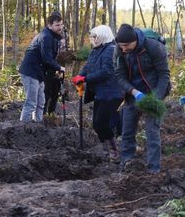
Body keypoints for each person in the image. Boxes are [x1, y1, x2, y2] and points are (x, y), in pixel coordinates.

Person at [114, 23, 170, 174]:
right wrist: (134, 92)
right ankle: (127, 164)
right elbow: (119, 75)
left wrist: (155, 98)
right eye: (121, 45)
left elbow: (164, 74)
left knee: (152, 132)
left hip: (154, 93)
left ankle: (153, 171)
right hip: (133, 94)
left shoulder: (152, 46)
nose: (123, 48)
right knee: (127, 131)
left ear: (135, 41)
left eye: (126, 45)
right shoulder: (119, 50)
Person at [72, 25, 124, 162]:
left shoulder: (111, 50)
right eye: (92, 37)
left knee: (102, 122)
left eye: (96, 37)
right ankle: (107, 150)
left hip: (112, 92)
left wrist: (85, 79)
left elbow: (107, 72)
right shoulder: (96, 50)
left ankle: (114, 151)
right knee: (96, 124)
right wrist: (79, 76)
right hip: (100, 93)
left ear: (103, 36)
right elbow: (88, 66)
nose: (93, 39)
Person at [19, 12, 65, 122]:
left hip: (39, 72)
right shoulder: (46, 36)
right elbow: (47, 58)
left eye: (61, 24)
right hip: (31, 71)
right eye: (57, 25)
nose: (60, 27)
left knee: (41, 101)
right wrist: (60, 68)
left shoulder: (52, 37)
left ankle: (38, 126)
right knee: (31, 102)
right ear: (49, 25)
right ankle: (23, 128)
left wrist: (55, 71)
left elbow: (48, 59)